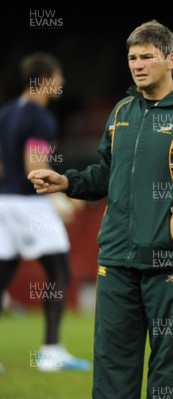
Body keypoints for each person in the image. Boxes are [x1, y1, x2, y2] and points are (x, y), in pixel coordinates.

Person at [28, 20, 173, 398]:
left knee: (164, 368)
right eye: (132, 58)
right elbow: (107, 173)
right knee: (111, 363)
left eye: (147, 57)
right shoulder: (122, 111)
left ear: (172, 59)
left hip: (169, 260)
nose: (138, 64)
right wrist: (68, 182)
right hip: (116, 260)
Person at [0, 52, 90, 372]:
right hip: (29, 203)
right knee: (59, 273)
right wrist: (61, 201)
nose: (62, 83)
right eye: (58, 77)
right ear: (46, 80)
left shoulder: (6, 113)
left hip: (4, 202)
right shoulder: (41, 118)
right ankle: (51, 352)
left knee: (4, 273)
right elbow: (34, 167)